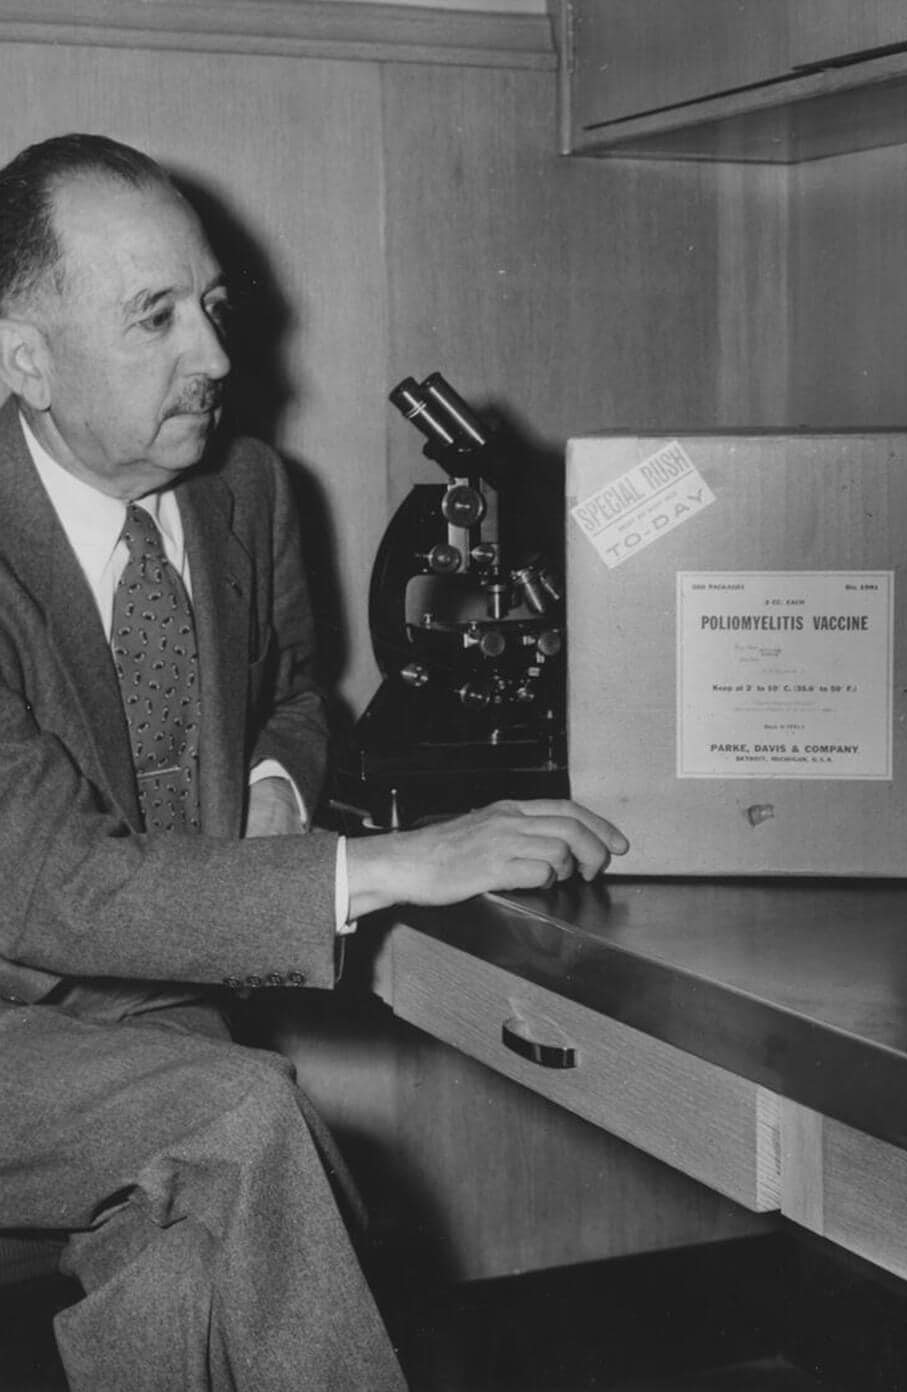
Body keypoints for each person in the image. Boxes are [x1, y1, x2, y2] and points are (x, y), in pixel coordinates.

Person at [0, 132, 628, 1392]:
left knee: (189, 1243)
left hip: (151, 1012)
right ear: (24, 355)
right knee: (241, 1116)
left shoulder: (245, 493)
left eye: (215, 307)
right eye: (156, 317)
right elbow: (49, 884)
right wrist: (393, 861)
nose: (218, 358)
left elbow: (293, 693)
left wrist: (278, 789)